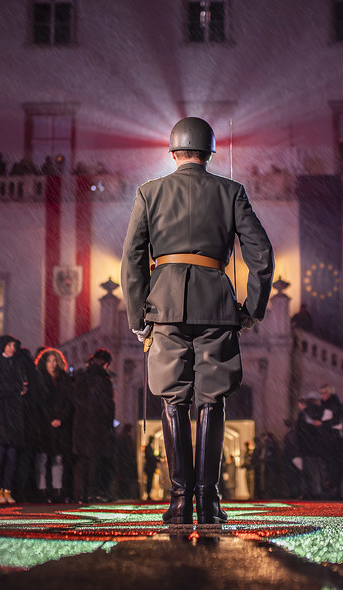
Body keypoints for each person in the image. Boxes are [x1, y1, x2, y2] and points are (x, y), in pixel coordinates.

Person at [120, 116, 274, 525]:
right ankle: (208, 499)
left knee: (173, 399)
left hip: (165, 305)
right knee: (213, 399)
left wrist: (138, 317)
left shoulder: (149, 192)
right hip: (216, 307)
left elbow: (132, 260)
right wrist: (251, 309)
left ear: (172, 152)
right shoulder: (231, 191)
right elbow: (260, 252)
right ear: (209, 153)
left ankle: (179, 501)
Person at [0, 335, 28, 504]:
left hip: (14, 417)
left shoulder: (18, 363)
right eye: (9, 345)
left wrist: (6, 390)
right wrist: (14, 389)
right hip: (0, 418)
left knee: (12, 457)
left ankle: (7, 490)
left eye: (14, 345)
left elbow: (22, 386)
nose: (12, 348)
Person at [71, 348, 115, 502]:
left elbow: (76, 400)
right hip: (97, 427)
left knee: (82, 461)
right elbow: (107, 406)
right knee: (95, 461)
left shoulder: (82, 377)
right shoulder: (103, 380)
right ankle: (93, 492)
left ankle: (80, 493)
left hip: (81, 425)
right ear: (106, 364)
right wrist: (108, 423)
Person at [35, 347, 74, 502]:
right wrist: (50, 418)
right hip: (44, 425)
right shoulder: (40, 380)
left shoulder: (65, 379)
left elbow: (69, 401)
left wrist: (60, 418)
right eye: (49, 361)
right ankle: (44, 490)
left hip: (61, 425)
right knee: (43, 458)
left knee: (58, 458)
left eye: (54, 361)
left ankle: (58, 490)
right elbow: (41, 402)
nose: (52, 364)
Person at [142, 435, 158, 500]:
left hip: (150, 466)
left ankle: (148, 494)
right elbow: (149, 457)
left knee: (150, 481)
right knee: (149, 481)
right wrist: (155, 458)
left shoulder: (149, 447)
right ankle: (148, 494)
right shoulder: (148, 447)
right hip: (149, 467)